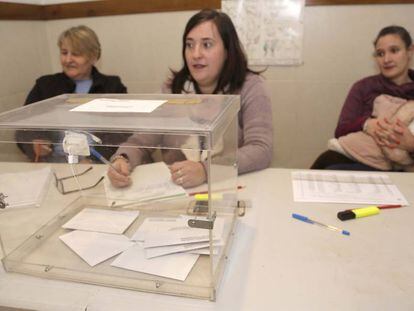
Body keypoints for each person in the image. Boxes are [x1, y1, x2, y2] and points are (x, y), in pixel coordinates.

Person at [108, 9, 273, 188]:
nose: (195, 54)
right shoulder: (172, 90)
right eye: (189, 45)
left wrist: (205, 170)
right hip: (180, 191)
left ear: (227, 51)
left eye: (207, 45)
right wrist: (121, 159)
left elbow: (261, 149)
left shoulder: (250, 87)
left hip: (234, 187)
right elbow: (140, 142)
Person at [17, 25, 127, 162]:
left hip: (98, 161)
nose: (68, 60)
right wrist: (33, 144)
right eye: (64, 53)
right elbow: (22, 129)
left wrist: (92, 158)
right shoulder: (45, 85)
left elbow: (122, 133)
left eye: (76, 54)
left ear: (93, 56)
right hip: (54, 162)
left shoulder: (112, 86)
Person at [311, 25, 414, 171]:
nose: (386, 59)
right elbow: (341, 130)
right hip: (353, 159)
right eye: (380, 53)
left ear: (410, 51)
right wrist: (367, 124)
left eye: (394, 50)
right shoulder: (364, 87)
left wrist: (411, 144)